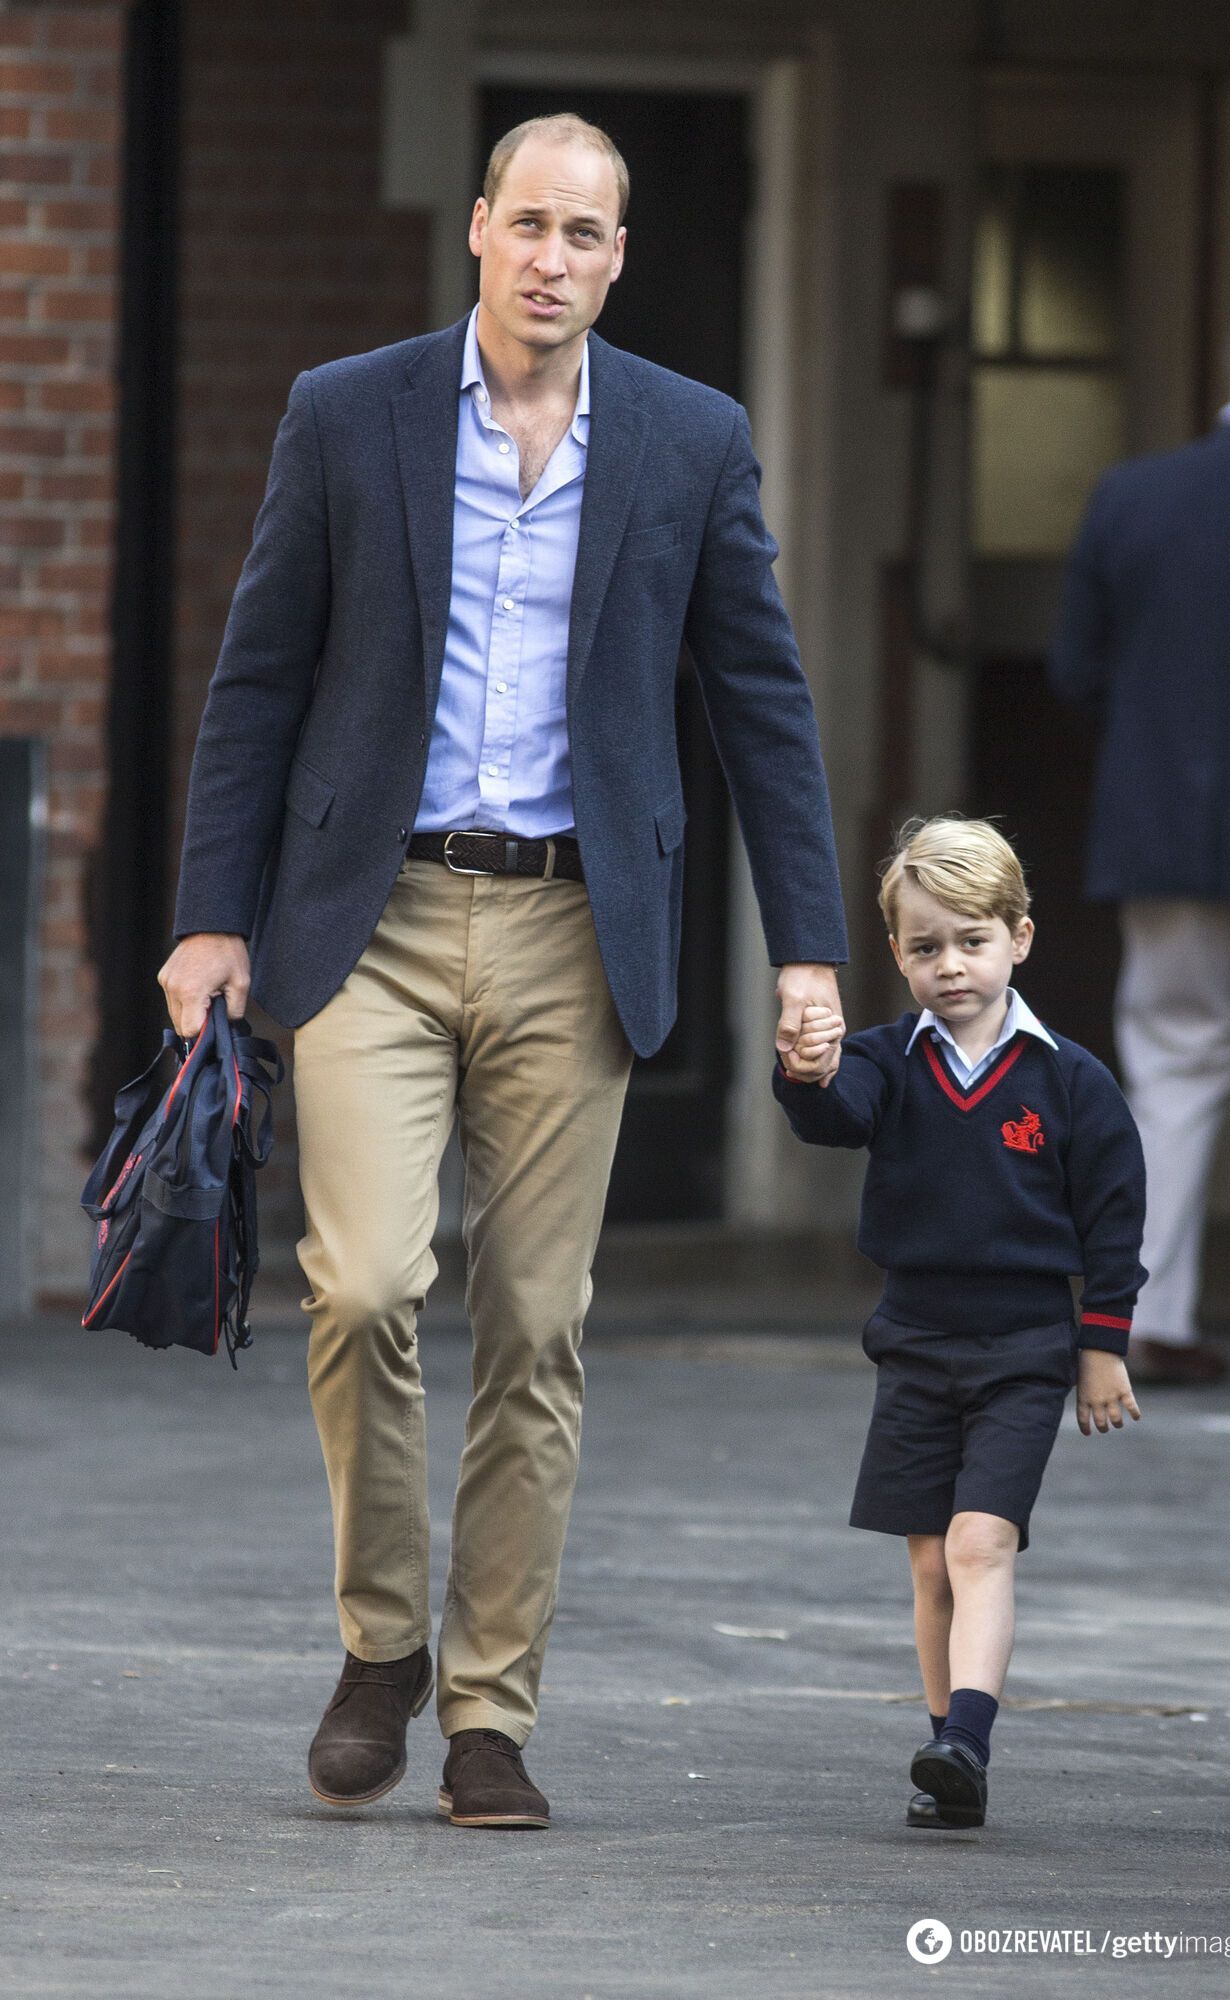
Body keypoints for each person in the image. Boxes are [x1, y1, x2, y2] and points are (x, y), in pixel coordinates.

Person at [158, 113, 848, 1828]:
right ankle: (383, 1636)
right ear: (477, 229)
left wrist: (814, 951)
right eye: (527, 224)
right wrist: (208, 913)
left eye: (586, 235)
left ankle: (485, 1711)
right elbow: (259, 677)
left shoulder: (691, 441)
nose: (552, 260)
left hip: (573, 931)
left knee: (536, 1327)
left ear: (622, 258)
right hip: (368, 918)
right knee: (368, 1285)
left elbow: (762, 705)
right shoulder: (349, 410)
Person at [773, 817, 1144, 1830]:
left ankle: (965, 1737)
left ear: (1018, 938)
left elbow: (1112, 1213)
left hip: (1026, 1347)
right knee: (931, 1557)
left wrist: (1099, 1343)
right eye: (925, 945)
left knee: (983, 1541)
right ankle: (948, 1753)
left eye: (971, 941)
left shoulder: (1068, 1078)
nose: (949, 966)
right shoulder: (888, 1060)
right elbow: (835, 1107)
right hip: (914, 1340)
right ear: (893, 952)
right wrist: (806, 1068)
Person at [1050, 294, 1230, 1393]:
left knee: (1166, 1073)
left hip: (1158, 834)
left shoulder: (1131, 494)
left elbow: (1074, 670)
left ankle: (1147, 1322)